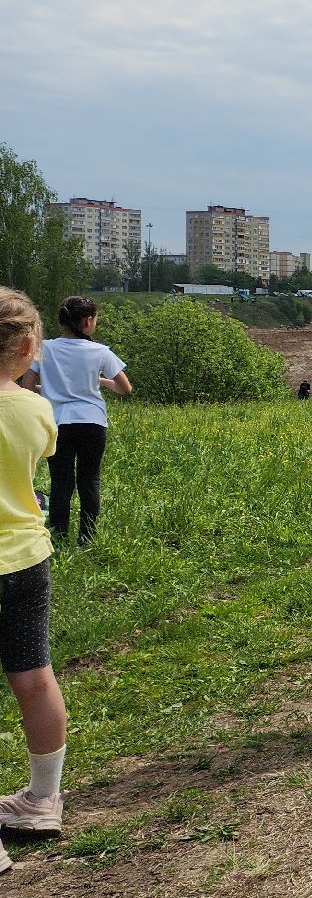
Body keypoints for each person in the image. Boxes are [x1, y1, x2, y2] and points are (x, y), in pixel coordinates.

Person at [0, 287, 73, 862]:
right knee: (35, 677)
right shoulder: (35, 409)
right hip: (27, 557)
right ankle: (43, 798)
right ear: (26, 348)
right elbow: (42, 455)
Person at [22, 297, 132, 549]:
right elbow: (125, 388)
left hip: (58, 422)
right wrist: (102, 382)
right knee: (89, 480)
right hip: (92, 422)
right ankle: (87, 540)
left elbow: (27, 387)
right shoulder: (101, 351)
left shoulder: (44, 348)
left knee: (61, 481)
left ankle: (59, 539)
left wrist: (51, 390)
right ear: (87, 321)